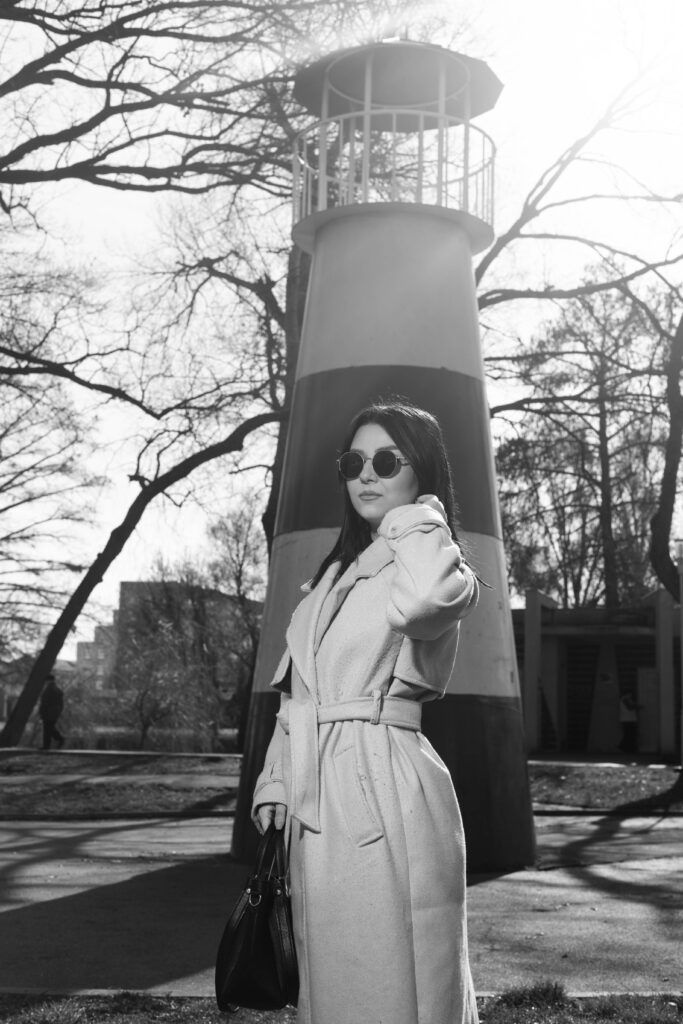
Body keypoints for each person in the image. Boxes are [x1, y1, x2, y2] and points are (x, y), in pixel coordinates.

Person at [252, 399, 480, 1024]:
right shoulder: (331, 579)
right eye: (354, 463)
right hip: (316, 793)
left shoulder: (432, 559)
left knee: (398, 975)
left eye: (386, 461)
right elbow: (297, 696)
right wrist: (275, 781)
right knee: (334, 977)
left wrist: (420, 517)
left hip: (385, 783)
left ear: (422, 470)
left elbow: (423, 605)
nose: (366, 476)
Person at [39, 673, 65, 751]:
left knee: (47, 728)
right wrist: (59, 711)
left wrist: (41, 712)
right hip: (55, 712)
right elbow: (61, 703)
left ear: (48, 680)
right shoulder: (57, 689)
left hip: (48, 711)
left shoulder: (49, 689)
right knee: (50, 728)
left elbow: (45, 702)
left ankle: (52, 742)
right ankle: (56, 741)